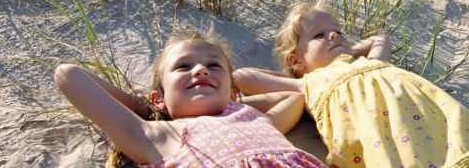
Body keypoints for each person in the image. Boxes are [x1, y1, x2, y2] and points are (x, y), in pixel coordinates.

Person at [234, 1, 469, 168]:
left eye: (338, 31)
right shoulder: (311, 82)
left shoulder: (370, 63)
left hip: (436, 122)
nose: (334, 36)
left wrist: (352, 51)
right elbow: (246, 77)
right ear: (296, 61)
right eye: (319, 35)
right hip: (390, 143)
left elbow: (381, 40)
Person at [54, 30, 327, 167]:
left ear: (232, 91)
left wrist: (235, 105)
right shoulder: (156, 134)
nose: (201, 69)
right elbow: (69, 75)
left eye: (214, 66)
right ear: (158, 99)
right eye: (183, 67)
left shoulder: (256, 120)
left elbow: (292, 98)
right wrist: (140, 106)